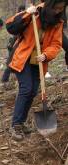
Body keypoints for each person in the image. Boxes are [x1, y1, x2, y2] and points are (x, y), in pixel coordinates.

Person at [6, 0, 65, 141]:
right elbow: (10, 26)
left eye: (61, 9)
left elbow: (56, 44)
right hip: (23, 57)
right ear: (50, 5)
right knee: (26, 88)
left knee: (32, 91)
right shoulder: (35, 12)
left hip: (39, 61)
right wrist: (27, 14)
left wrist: (46, 55)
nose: (58, 11)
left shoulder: (58, 22)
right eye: (56, 8)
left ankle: (21, 122)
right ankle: (15, 125)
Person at [1, 5, 27, 85]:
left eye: (23, 9)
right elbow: (13, 31)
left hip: (21, 43)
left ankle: (15, 79)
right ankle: (4, 79)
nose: (22, 11)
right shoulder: (16, 18)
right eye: (21, 10)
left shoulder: (26, 17)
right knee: (11, 62)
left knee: (16, 63)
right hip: (14, 44)